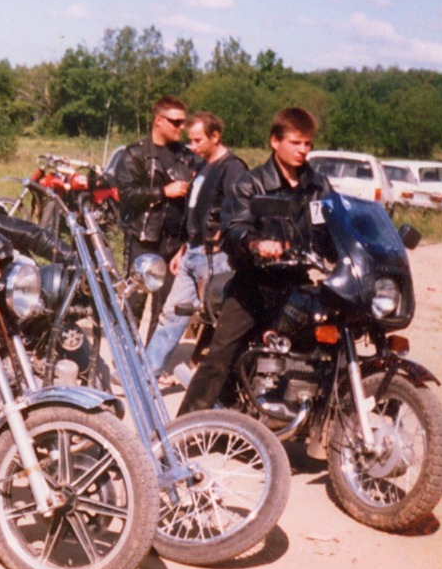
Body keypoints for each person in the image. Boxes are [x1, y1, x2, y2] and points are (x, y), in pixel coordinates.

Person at [177, 107, 332, 416]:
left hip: (296, 281)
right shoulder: (251, 183)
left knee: (325, 345)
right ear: (275, 141)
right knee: (219, 356)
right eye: (296, 142)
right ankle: (183, 430)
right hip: (254, 284)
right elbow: (235, 228)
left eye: (308, 144)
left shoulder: (318, 186)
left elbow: (331, 225)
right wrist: (257, 243)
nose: (303, 150)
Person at [143, 112, 247, 386]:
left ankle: (211, 379)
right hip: (192, 251)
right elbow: (196, 211)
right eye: (191, 140)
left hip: (215, 256)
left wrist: (220, 240)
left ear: (216, 137)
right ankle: (147, 371)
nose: (193, 146)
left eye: (199, 140)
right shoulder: (203, 167)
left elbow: (238, 210)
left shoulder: (232, 168)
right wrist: (184, 248)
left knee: (217, 321)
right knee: (172, 312)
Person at [112, 95, 198, 341]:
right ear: (158, 120)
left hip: (174, 243)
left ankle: (151, 365)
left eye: (183, 122)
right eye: (175, 122)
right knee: (135, 303)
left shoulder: (187, 156)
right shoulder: (136, 154)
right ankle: (128, 361)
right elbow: (126, 194)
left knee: (165, 307)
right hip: (143, 239)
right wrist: (163, 192)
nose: (181, 128)